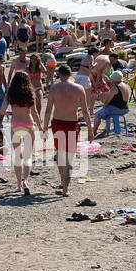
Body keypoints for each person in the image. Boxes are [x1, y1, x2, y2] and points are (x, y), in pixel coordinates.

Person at [42, 64, 92, 197]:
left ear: (59, 75)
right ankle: (65, 189)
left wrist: (44, 128)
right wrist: (90, 130)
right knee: (69, 158)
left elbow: (48, 111)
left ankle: (63, 181)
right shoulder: (79, 88)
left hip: (57, 123)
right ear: (70, 74)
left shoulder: (54, 88)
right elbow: (86, 112)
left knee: (60, 154)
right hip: (71, 124)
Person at [4, 71, 41, 195]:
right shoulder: (30, 93)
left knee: (17, 156)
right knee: (28, 156)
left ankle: (19, 185)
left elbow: (2, 110)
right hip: (28, 124)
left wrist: (12, 112)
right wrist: (41, 126)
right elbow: (34, 112)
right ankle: (26, 181)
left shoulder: (10, 93)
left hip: (15, 125)